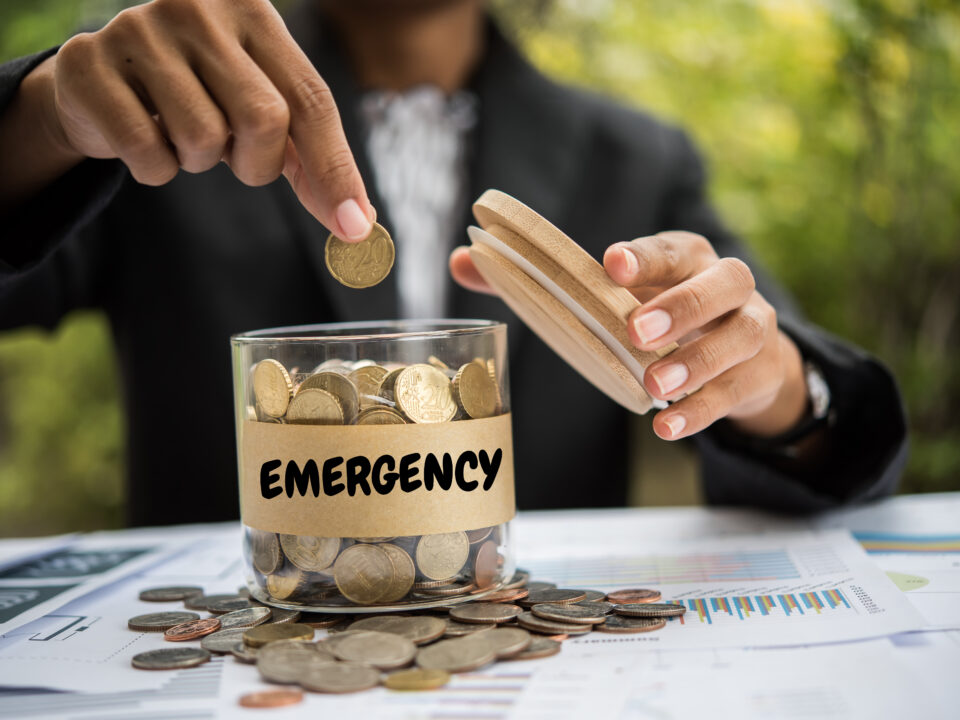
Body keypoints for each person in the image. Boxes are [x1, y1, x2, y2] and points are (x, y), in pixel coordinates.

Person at [0, 0, 906, 527]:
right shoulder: (159, 104)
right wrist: (41, 118)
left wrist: (770, 383)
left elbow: (814, 409)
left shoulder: (634, 159)